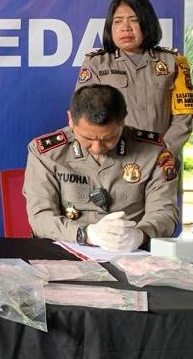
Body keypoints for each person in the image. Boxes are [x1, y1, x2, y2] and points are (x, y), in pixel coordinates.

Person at [23, 85, 179, 251]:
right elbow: (40, 217)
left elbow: (164, 212)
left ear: (123, 121)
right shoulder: (47, 154)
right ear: (70, 119)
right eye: (87, 138)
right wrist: (86, 234)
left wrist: (141, 236)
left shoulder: (153, 152)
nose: (97, 148)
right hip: (67, 250)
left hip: (131, 253)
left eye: (108, 138)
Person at [76, 0, 193, 151]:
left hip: (162, 157)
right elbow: (84, 116)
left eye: (134, 20)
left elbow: (183, 117)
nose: (126, 28)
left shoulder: (173, 62)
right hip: (113, 156)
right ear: (110, 27)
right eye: (118, 21)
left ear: (147, 24)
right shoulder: (96, 64)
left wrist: (163, 152)